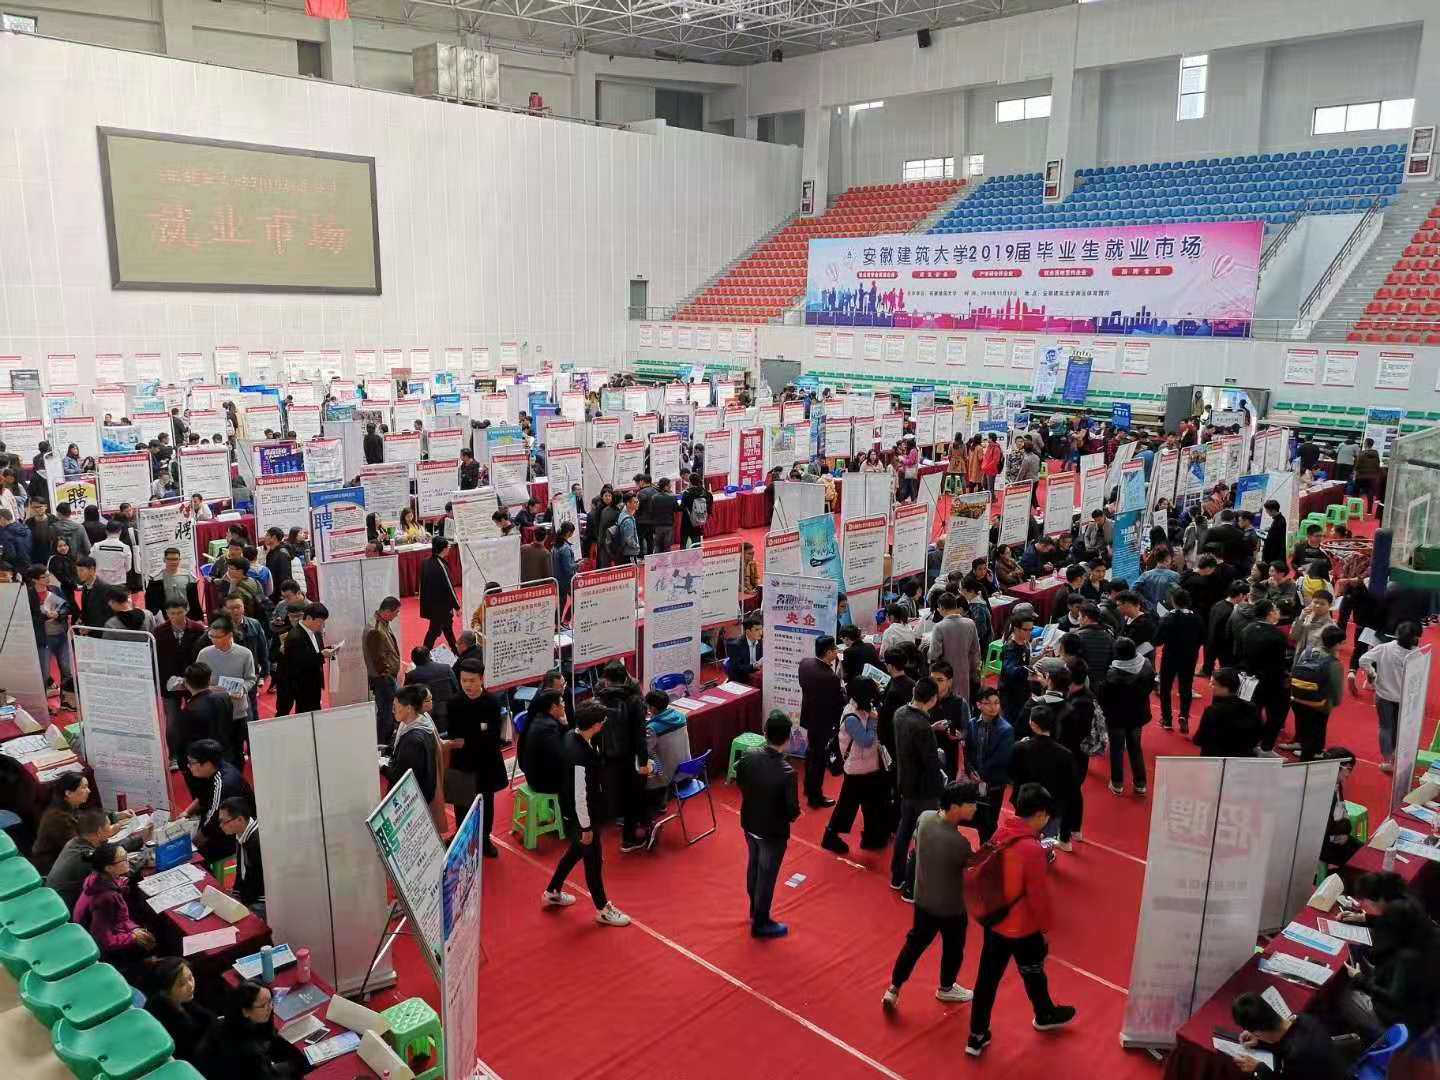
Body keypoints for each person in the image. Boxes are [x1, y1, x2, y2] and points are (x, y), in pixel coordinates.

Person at [964, 782, 1075, 1057]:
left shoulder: (1002, 832)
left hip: (995, 920)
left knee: (987, 980)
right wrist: (1045, 926)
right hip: (1022, 926)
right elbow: (1038, 896)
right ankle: (1044, 1013)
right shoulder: (1031, 850)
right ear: (1039, 815)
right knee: (1033, 970)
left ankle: (977, 1034)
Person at [882, 781, 980, 1010]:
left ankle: (893, 988)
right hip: (950, 907)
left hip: (923, 899)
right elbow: (973, 867)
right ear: (955, 806)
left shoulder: (925, 818)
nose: (975, 807)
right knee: (954, 948)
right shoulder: (958, 843)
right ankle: (946, 987)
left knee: (914, 944)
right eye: (971, 803)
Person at [542, 700, 631, 927]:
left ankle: (552, 891)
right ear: (596, 725)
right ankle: (603, 909)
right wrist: (586, 827)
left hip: (580, 813)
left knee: (575, 852)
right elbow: (579, 795)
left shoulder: (572, 737)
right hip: (583, 816)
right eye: (603, 721)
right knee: (593, 862)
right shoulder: (579, 757)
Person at [735, 710, 800, 939]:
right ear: (787, 738)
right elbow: (792, 811)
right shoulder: (787, 772)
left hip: (749, 822)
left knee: (753, 866)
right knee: (766, 875)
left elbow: (740, 781)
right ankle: (761, 921)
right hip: (772, 832)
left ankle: (755, 910)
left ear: (765, 732)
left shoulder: (749, 756)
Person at [446, 658, 506, 858]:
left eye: (472, 681)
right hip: (462, 762)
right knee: (461, 804)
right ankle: (461, 837)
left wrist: (469, 740)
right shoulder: (454, 703)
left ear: (481, 679)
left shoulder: (492, 702)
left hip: (486, 763)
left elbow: (493, 736)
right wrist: (477, 736)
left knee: (486, 803)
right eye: (463, 680)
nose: (467, 685)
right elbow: (454, 734)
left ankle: (484, 839)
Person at [821, 677, 888, 854]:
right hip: (857, 770)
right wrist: (873, 721)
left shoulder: (862, 707)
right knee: (848, 806)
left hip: (868, 766)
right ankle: (831, 836)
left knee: (869, 805)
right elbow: (865, 741)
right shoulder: (851, 716)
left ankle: (872, 838)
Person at [892, 676, 945, 897]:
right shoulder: (922, 727)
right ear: (932, 699)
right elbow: (931, 763)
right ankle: (911, 887)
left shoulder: (900, 714)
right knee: (924, 837)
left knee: (904, 830)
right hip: (924, 790)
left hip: (905, 782)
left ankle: (897, 876)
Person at [73, 843, 156, 981]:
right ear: (109, 868)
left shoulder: (96, 877)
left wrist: (134, 929)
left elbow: (119, 919)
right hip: (99, 948)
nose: (128, 860)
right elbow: (104, 940)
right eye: (123, 859)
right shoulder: (105, 898)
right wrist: (133, 936)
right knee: (152, 934)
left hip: (106, 926)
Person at [199, 980, 312, 1080]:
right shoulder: (249, 1051)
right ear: (245, 1011)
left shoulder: (224, 1021)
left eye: (270, 1001)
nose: (270, 1008)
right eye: (263, 1005)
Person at [595, 660, 650, 851]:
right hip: (629, 757)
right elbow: (640, 736)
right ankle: (629, 838)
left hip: (607, 755)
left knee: (617, 793)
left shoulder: (599, 700)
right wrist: (643, 762)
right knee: (633, 796)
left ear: (607, 680)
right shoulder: (634, 701)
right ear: (626, 678)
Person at [1227, 991, 1347, 1078]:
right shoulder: (1303, 1018)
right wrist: (1261, 1042)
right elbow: (1283, 1040)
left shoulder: (1294, 1056)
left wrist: (1258, 1068)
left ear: (1258, 1033)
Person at [1357, 621, 1421, 773]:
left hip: (1384, 695)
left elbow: (1363, 660)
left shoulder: (1384, 648)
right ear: (1416, 638)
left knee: (1385, 727)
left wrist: (1372, 673)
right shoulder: (1417, 654)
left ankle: (1388, 759)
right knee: (1400, 727)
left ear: (1397, 634)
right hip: (1404, 698)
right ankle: (1398, 756)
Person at [1098, 638, 1155, 796]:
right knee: (1135, 747)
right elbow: (1150, 687)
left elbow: (1103, 698)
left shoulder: (1112, 674)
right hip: (1137, 715)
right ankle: (1140, 784)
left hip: (1116, 718)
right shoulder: (1146, 666)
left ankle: (1117, 783)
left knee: (1117, 749)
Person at [183, 739, 255, 860]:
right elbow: (203, 797)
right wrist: (186, 813)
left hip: (235, 833)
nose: (188, 766)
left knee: (195, 855)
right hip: (224, 821)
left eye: (191, 763)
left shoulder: (224, 784)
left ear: (207, 764)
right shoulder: (216, 768)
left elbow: (213, 823)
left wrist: (192, 847)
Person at [197, 615, 258, 757]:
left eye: (217, 637)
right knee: (218, 749)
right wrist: (209, 689)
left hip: (238, 709)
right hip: (214, 710)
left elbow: (250, 679)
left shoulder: (244, 654)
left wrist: (242, 689)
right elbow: (198, 680)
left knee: (237, 749)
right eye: (211, 636)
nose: (213, 640)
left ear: (229, 635)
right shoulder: (204, 654)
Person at [798, 635, 845, 809]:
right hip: (823, 722)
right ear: (828, 652)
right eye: (835, 649)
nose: (837, 652)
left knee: (811, 754)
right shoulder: (830, 677)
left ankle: (808, 788)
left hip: (809, 716)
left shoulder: (805, 664)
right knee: (818, 759)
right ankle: (815, 796)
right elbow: (837, 703)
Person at [964, 687, 1015, 843]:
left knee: (990, 822)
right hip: (975, 781)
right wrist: (970, 770)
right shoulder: (972, 724)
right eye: (988, 703)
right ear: (979, 705)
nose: (993, 707)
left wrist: (981, 775)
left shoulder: (1006, 730)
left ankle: (988, 851)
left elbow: (1000, 758)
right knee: (975, 817)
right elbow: (968, 750)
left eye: (996, 702)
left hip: (994, 783)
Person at [144, 958, 216, 1067]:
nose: (190, 985)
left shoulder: (181, 999)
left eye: (190, 977)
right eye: (181, 984)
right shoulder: (167, 1021)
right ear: (165, 992)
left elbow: (207, 1018)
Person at [1289, 624, 1345, 761]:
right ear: (1337, 644)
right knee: (1316, 729)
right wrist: (1333, 704)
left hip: (1297, 696)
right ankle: (1309, 756)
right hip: (1318, 703)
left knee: (1303, 726)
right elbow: (1336, 691)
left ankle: (1306, 748)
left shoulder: (1307, 652)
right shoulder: (1334, 663)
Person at [1239, 600, 1289, 753]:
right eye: (1275, 609)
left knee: (1251, 712)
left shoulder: (1247, 629)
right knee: (1276, 715)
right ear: (1270, 613)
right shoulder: (1277, 635)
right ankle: (1266, 746)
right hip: (1271, 682)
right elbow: (1279, 663)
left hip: (1249, 678)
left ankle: (1250, 743)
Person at [45, 807, 112, 910]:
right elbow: (110, 876)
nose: (111, 828)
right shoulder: (84, 856)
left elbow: (106, 851)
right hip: (65, 907)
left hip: (53, 898)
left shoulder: (74, 842)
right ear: (99, 831)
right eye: (109, 825)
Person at [1192, 668, 1261, 757]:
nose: (1210, 686)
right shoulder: (1252, 707)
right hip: (1244, 756)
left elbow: (1199, 740)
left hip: (1216, 758)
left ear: (1226, 688)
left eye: (1214, 684)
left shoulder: (1212, 711)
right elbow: (1256, 737)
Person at [278, 601, 333, 714]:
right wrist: (322, 655)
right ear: (308, 618)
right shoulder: (295, 637)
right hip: (302, 686)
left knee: (316, 712)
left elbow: (315, 651)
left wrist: (329, 649)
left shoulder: (316, 632)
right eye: (320, 622)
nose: (322, 625)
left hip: (314, 682)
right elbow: (300, 663)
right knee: (306, 714)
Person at [363, 596, 403, 745]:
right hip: (383, 679)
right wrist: (388, 677)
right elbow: (378, 661)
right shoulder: (375, 629)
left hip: (384, 677)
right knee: (386, 712)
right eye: (396, 612)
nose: (397, 615)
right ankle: (383, 743)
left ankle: (383, 740)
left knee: (386, 711)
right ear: (387, 611)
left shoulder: (382, 623)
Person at [217, 796, 265, 917]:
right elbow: (241, 870)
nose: (221, 826)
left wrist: (243, 904)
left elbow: (260, 883)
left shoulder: (258, 842)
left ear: (239, 819)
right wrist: (235, 894)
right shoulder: (241, 832)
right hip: (248, 894)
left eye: (224, 821)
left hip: (261, 900)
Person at [929, 590, 981, 698]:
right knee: (962, 701)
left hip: (945, 674)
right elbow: (975, 651)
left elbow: (934, 654)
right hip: (965, 670)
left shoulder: (939, 627)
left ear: (941, 608)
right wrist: (974, 671)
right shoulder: (970, 623)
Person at [418, 536, 461, 651]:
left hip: (432, 605)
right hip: (442, 607)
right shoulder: (441, 566)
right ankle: (424, 653)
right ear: (444, 549)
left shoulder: (425, 562)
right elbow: (449, 587)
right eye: (448, 546)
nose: (449, 548)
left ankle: (456, 651)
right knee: (435, 632)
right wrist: (457, 606)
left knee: (446, 630)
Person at [144, 546, 203, 620]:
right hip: (165, 618)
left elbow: (194, 602)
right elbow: (151, 604)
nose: (173, 562)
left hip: (186, 616)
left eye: (175, 559)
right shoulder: (156, 579)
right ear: (164, 560)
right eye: (169, 559)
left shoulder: (189, 577)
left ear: (179, 560)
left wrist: (198, 619)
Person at [998, 615, 1035, 723]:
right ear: (1016, 629)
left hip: (1023, 692)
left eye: (1031, 629)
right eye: (1025, 630)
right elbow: (1010, 671)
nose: (1029, 633)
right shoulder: (1010, 648)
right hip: (1011, 696)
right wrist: (1028, 669)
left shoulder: (1024, 643)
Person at [727, 613, 764, 683]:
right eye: (757, 630)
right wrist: (754, 666)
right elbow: (737, 668)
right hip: (742, 679)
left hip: (755, 674)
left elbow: (761, 658)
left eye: (761, 629)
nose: (761, 633)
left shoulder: (759, 641)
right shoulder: (735, 646)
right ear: (748, 632)